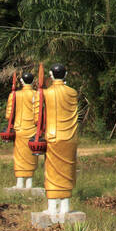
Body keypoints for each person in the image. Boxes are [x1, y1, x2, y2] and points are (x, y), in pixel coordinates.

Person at [36, 63, 79, 216]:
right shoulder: (72, 93)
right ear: (65, 75)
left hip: (53, 136)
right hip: (70, 137)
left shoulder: (46, 93)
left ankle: (52, 207)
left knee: (53, 172)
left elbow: (37, 117)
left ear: (51, 75)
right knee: (68, 171)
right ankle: (66, 206)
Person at [8, 69, 38, 189]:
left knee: (19, 156)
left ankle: (19, 183)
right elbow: (39, 114)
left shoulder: (15, 95)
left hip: (19, 128)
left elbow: (8, 114)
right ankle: (29, 183)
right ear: (32, 81)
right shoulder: (37, 94)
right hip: (32, 129)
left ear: (21, 81)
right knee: (31, 155)